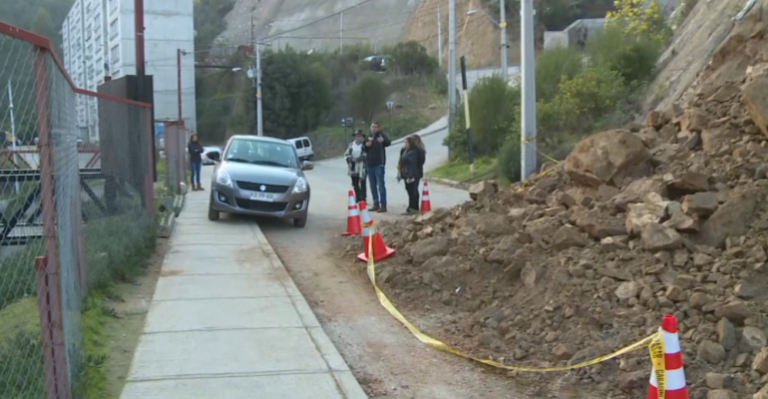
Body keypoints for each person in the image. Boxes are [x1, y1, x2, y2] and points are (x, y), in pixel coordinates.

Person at [365, 121, 391, 212]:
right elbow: (363, 148)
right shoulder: (368, 136)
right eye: (372, 127)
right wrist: (366, 146)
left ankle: (383, 205)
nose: (374, 128)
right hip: (370, 164)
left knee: (381, 185)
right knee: (372, 185)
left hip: (379, 163)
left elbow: (388, 142)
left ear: (379, 128)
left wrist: (383, 141)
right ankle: (375, 203)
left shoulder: (381, 135)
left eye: (376, 127)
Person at [399, 135, 426, 215]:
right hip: (408, 174)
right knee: (410, 191)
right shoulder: (407, 151)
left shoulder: (413, 152)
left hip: (412, 174)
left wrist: (411, 176)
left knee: (413, 191)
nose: (405, 144)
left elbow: (413, 165)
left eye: (407, 142)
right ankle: (411, 207)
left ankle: (413, 208)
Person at [344, 129, 367, 203]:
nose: (358, 137)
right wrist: (351, 158)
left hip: (362, 166)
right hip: (353, 166)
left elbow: (366, 153)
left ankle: (363, 197)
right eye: (357, 136)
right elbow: (346, 154)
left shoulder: (364, 144)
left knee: (362, 182)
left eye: (360, 136)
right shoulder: (351, 144)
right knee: (355, 183)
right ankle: (358, 196)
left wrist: (359, 158)